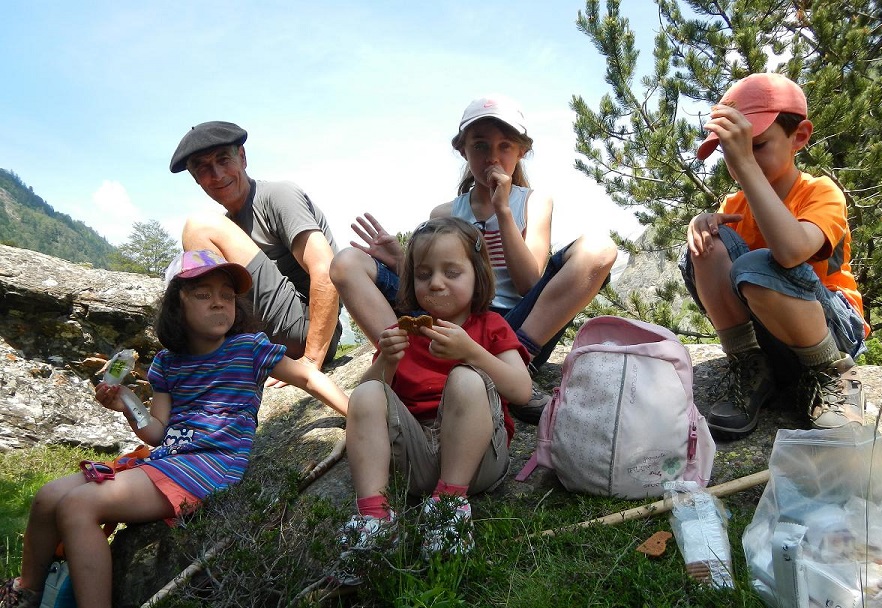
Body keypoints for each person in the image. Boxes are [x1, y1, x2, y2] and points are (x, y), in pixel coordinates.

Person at [0, 250, 349, 608]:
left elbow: (307, 375)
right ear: (177, 304)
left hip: (209, 466)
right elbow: (157, 431)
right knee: (47, 496)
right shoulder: (168, 363)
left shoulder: (249, 349)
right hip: (168, 457)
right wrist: (126, 400)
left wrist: (354, 411)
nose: (219, 302)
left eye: (226, 294)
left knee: (78, 505)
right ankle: (26, 596)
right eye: (203, 294)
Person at [329, 95, 618, 423]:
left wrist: (503, 210)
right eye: (480, 146)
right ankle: (412, 366)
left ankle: (516, 367)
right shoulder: (445, 213)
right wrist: (400, 262)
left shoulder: (534, 202)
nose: (492, 157)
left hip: (513, 328)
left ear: (522, 151)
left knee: (599, 249)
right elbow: (432, 283)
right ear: (463, 150)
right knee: (346, 263)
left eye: (505, 146)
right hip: (453, 316)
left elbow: (528, 283)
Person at [338, 217, 532, 574]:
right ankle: (374, 519)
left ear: (478, 275)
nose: (436, 283)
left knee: (466, 379)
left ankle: (449, 510)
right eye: (424, 275)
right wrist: (388, 363)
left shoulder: (490, 326)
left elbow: (521, 390)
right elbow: (369, 398)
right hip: (416, 465)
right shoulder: (403, 332)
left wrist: (471, 353)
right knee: (366, 391)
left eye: (452, 273)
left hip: (479, 463)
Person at [681, 72, 868, 440]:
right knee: (706, 246)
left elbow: (789, 252)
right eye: (732, 151)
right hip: (771, 332)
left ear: (799, 136)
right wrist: (702, 226)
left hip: (831, 330)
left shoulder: (821, 192)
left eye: (756, 146)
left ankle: (831, 375)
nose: (740, 162)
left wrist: (747, 169)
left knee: (758, 264)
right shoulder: (735, 204)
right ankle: (751, 365)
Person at [170, 121, 342, 369]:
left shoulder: (278, 196)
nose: (217, 175)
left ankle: (223, 359)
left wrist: (312, 359)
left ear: (242, 157)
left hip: (306, 329)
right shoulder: (230, 227)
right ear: (196, 179)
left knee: (199, 227)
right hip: (268, 336)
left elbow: (326, 271)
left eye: (223, 160)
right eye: (204, 168)